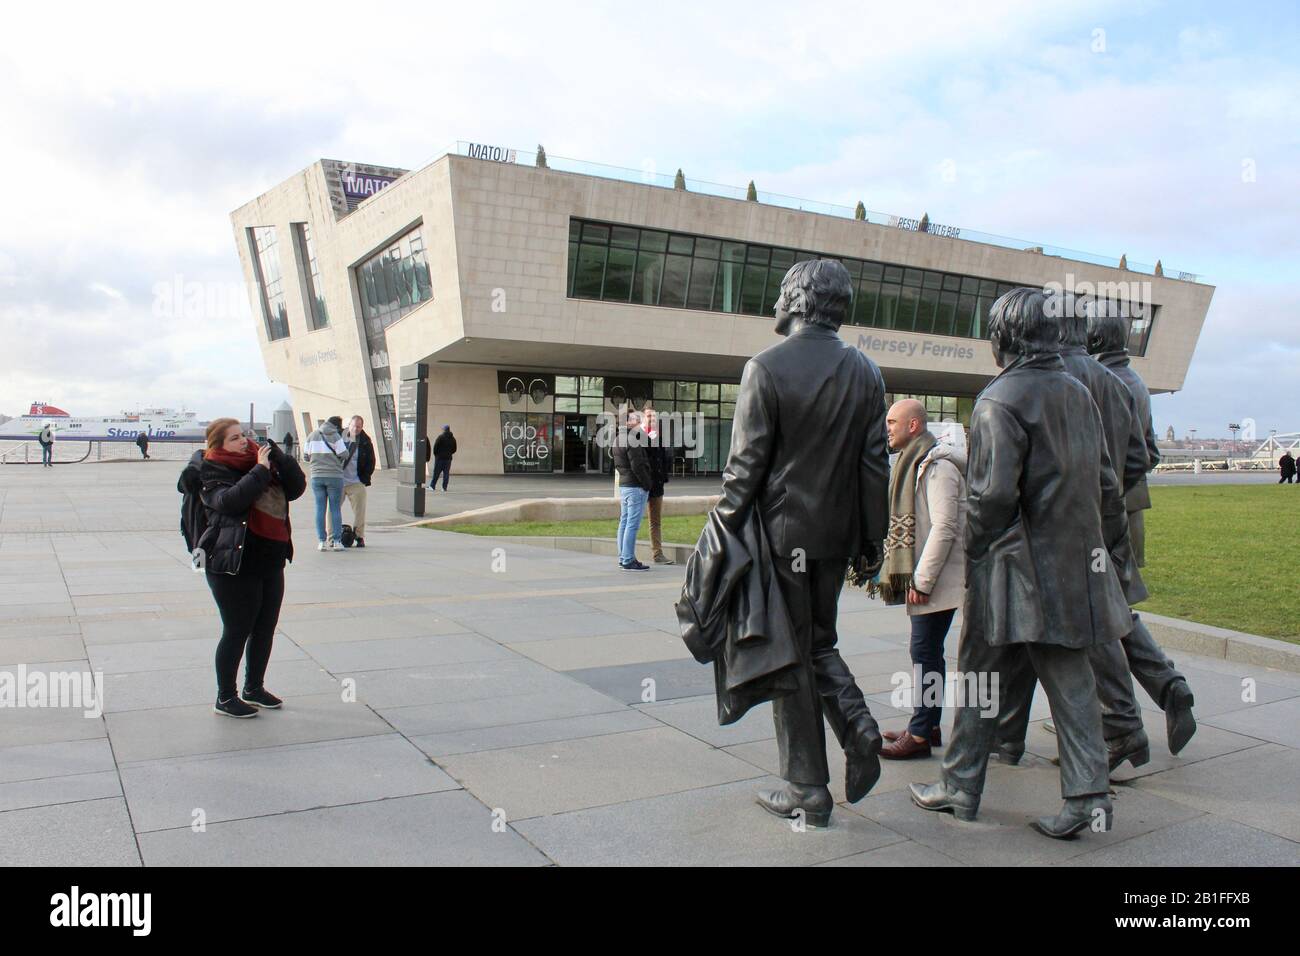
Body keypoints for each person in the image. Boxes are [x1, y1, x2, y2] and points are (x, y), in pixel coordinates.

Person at [910, 287, 1132, 840]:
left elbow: (990, 500)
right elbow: (1107, 483)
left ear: (1003, 335)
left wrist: (979, 552)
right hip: (1075, 560)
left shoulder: (999, 400)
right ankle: (962, 783)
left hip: (1014, 569)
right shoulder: (1078, 392)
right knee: (1033, 672)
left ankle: (1083, 795)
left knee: (1026, 673)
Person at [710, 257, 890, 827]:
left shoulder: (764, 367)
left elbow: (744, 471)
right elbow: (873, 467)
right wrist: (872, 537)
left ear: (799, 300)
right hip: (833, 538)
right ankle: (856, 727)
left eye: (780, 294)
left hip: (780, 536)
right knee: (816, 642)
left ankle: (807, 789)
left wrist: (719, 533)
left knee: (789, 657)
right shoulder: (866, 371)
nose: (774, 305)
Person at [995, 296, 1152, 772]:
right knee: (1092, 624)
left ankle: (1118, 730)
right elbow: (1134, 461)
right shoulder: (1116, 382)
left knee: (1076, 634)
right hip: (1102, 524)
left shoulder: (1045, 380)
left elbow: (1004, 486)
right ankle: (1005, 736)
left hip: (1046, 536)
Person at [1089, 308, 1197, 754]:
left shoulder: (1098, 382)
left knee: (1098, 616)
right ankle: (1162, 690)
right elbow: (1147, 452)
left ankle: (1126, 718)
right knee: (1109, 612)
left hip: (1098, 515)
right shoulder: (1135, 382)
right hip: (1127, 512)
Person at [872, 400, 967, 760]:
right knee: (928, 652)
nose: (888, 429)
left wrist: (922, 580)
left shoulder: (937, 467)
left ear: (914, 426)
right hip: (932, 575)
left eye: (893, 422)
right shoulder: (914, 464)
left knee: (925, 652)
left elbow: (945, 527)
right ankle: (927, 725)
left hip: (939, 578)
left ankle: (921, 734)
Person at [193, 418, 305, 718]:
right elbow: (231, 501)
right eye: (233, 438)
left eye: (243, 435)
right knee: (237, 629)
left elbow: (296, 489)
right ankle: (225, 696)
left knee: (265, 627)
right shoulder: (209, 469)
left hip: (270, 558)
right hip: (231, 563)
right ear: (218, 445)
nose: (243, 441)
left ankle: (254, 688)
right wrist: (260, 469)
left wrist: (280, 458)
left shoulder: (265, 463)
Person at [612, 409, 653, 570]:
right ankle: (628, 559)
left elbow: (618, 464)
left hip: (625, 485)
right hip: (635, 486)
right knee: (632, 524)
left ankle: (624, 557)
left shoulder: (618, 439)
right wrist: (647, 483)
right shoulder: (632, 439)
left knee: (624, 522)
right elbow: (638, 465)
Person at [303, 416, 349, 551]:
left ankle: (321, 541)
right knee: (335, 509)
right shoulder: (336, 436)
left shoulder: (312, 436)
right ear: (336, 426)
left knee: (319, 508)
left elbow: (306, 456)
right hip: (334, 476)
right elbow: (344, 454)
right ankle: (336, 541)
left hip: (317, 476)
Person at [642, 404, 675, 564]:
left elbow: (664, 459)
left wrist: (663, 477)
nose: (652, 419)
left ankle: (657, 554)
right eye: (649, 416)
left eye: (654, 417)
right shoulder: (637, 437)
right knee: (631, 520)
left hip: (657, 485)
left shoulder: (658, 437)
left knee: (655, 522)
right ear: (643, 418)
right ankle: (626, 555)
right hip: (641, 486)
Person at [343, 415, 375, 548]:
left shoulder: (365, 441)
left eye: (359, 426)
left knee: (360, 511)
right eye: (354, 426)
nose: (356, 429)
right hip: (339, 481)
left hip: (356, 481)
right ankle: (332, 536)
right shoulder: (340, 438)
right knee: (332, 509)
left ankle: (359, 536)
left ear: (362, 427)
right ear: (349, 425)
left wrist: (365, 477)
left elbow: (371, 461)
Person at [429, 425, 456, 491]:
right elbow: (454, 449)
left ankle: (432, 486)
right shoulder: (453, 439)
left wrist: (436, 455)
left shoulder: (440, 437)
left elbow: (435, 447)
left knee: (436, 473)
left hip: (439, 458)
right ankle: (444, 488)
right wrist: (449, 453)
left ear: (444, 430)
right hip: (448, 459)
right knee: (446, 473)